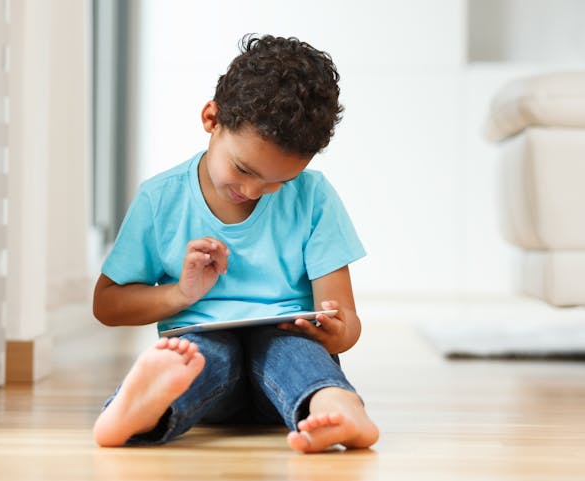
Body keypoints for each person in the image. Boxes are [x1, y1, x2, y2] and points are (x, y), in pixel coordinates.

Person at [92, 34, 379, 453]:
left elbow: (346, 321)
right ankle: (141, 409)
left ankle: (338, 405)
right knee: (199, 352)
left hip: (288, 370)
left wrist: (336, 333)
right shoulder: (161, 198)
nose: (254, 190)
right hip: (207, 370)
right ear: (212, 118)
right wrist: (181, 293)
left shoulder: (314, 197)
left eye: (280, 181)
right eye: (243, 168)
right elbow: (107, 304)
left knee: (289, 347)